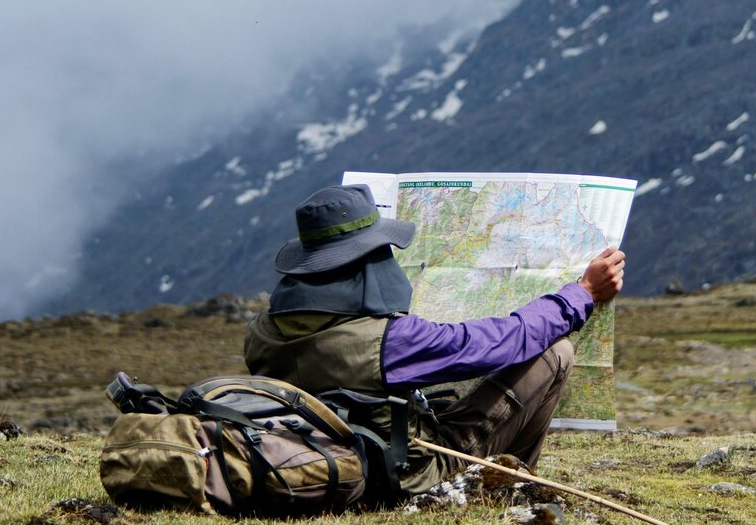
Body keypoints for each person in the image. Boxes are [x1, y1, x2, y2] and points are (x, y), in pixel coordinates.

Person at [243, 184, 625, 497]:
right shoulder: (388, 341)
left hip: (329, 458)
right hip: (409, 475)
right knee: (555, 353)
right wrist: (584, 293)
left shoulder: (261, 330)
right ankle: (510, 487)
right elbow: (506, 341)